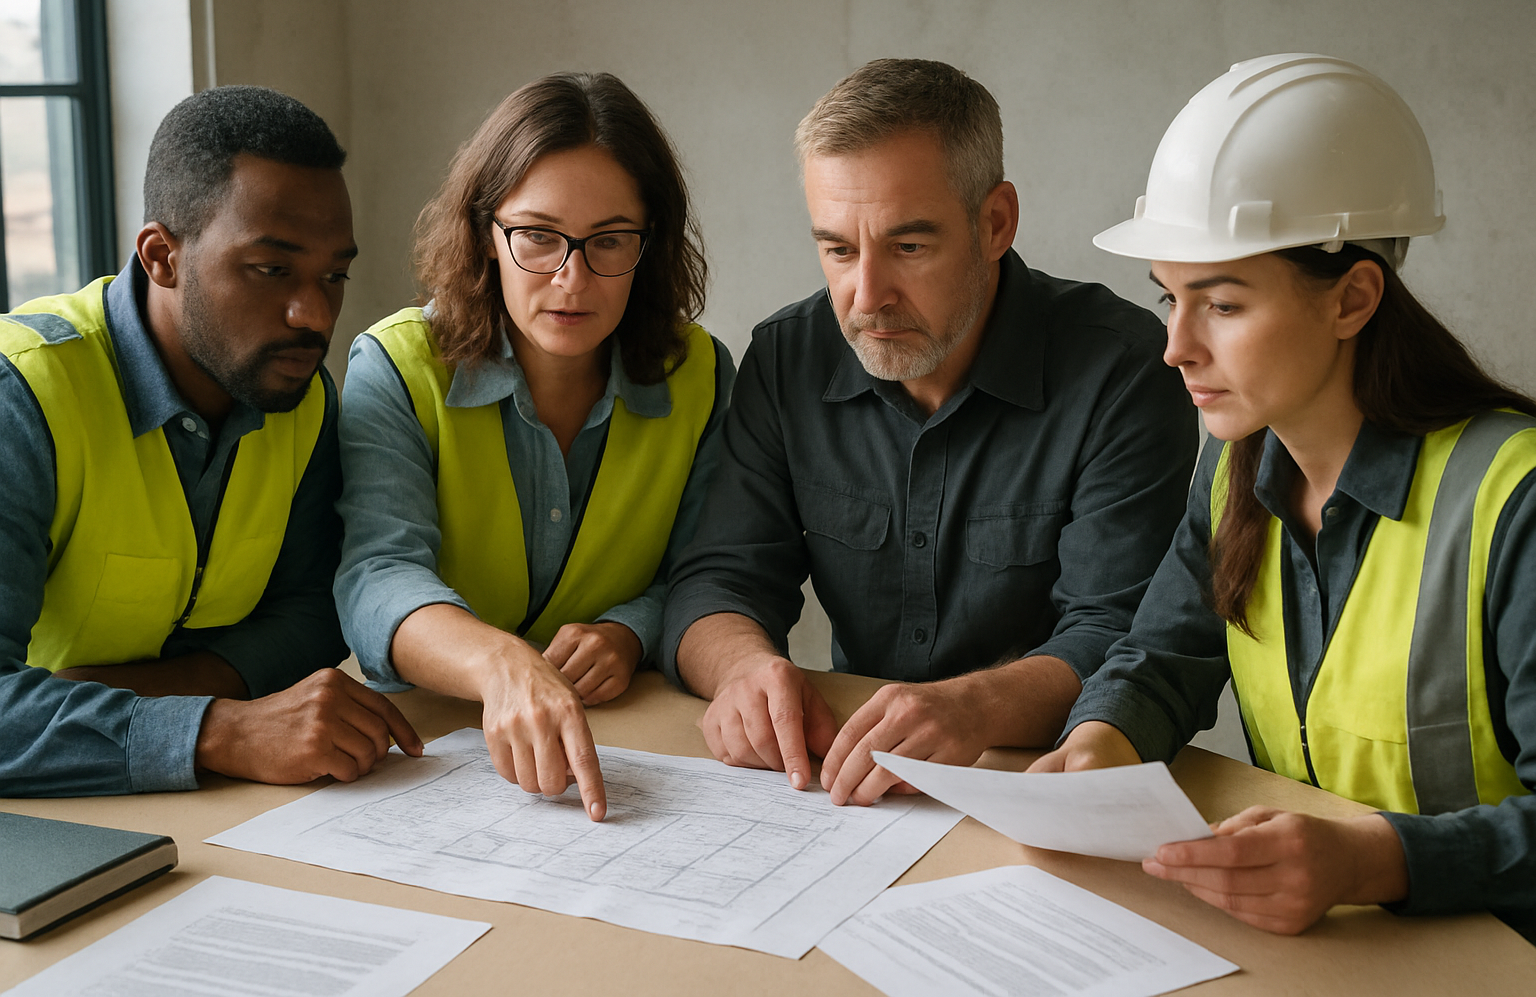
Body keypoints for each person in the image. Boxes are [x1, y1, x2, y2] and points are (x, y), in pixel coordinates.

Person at [1035, 54, 1536, 940]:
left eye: (1221, 305)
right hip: (1332, 950)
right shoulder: (1237, 470)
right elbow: (1163, 658)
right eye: (1169, 300)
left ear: (1352, 299)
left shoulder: (1513, 501)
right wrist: (1101, 746)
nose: (1176, 347)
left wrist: (1371, 860)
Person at [661, 58, 1197, 807]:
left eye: (909, 248)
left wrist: (971, 706)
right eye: (839, 250)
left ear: (995, 223)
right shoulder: (786, 358)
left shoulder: (1124, 369)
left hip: (1047, 783)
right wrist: (742, 668)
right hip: (845, 787)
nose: (867, 297)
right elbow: (720, 578)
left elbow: (1123, 631)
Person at [0, 85, 421, 797]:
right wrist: (220, 730)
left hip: (211, 804)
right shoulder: (24, 396)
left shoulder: (301, 397)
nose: (314, 315)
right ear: (162, 255)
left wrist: (151, 697)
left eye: (334, 275)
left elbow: (314, 612)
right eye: (271, 269)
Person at [336, 73, 732, 823]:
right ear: (487, 233)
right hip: (429, 753)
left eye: (609, 240)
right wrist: (501, 664)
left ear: (649, 243)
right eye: (538, 237)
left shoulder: (703, 374)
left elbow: (708, 571)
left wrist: (629, 631)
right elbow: (376, 578)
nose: (571, 278)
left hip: (639, 745)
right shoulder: (394, 367)